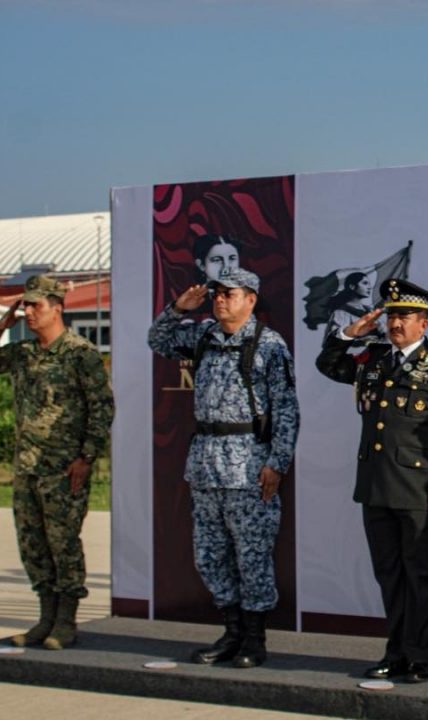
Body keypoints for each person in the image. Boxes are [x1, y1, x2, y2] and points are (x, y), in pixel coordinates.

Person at [315, 278, 428, 684]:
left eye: (404, 316)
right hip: (375, 484)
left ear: (424, 322)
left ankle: (421, 656)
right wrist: (350, 334)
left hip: (418, 487)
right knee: (389, 573)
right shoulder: (374, 359)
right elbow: (328, 364)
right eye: (391, 315)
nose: (396, 323)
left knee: (419, 573)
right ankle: (396, 652)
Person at [146, 267, 299, 669]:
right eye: (216, 293)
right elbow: (157, 340)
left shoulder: (269, 345)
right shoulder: (204, 337)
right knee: (210, 555)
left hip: (249, 465)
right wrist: (178, 309)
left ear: (250, 299)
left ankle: (254, 638)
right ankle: (231, 632)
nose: (219, 299)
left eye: (228, 294)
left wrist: (277, 463)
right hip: (206, 464)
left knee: (252, 555)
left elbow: (286, 409)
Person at [0, 274, 114, 651]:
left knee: (63, 543)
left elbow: (101, 409)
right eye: (26, 305)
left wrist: (86, 457)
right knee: (33, 545)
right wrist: (1, 326)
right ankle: (45, 618)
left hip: (63, 468)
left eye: (36, 305)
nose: (29, 312)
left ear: (57, 308)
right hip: (28, 467)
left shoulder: (79, 353)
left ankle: (65, 621)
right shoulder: (24, 353)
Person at [325, 271, 384, 342]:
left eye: (369, 284)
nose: (369, 287)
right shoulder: (341, 313)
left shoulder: (369, 310)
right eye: (365, 283)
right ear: (352, 286)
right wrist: (363, 340)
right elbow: (337, 339)